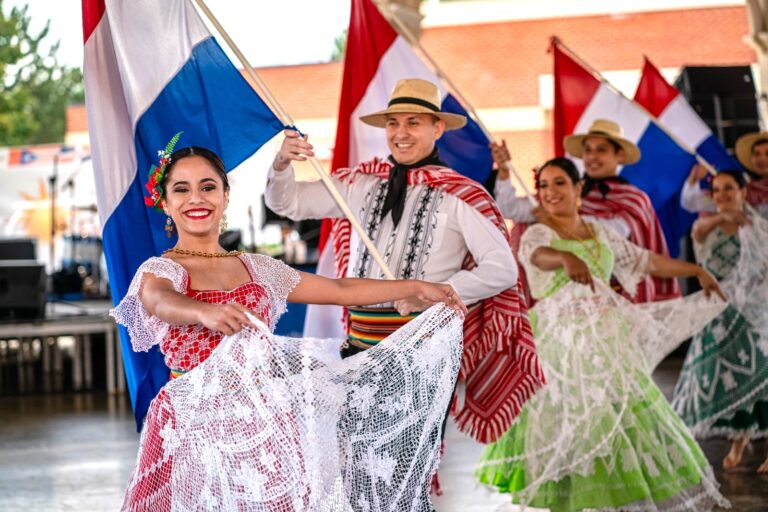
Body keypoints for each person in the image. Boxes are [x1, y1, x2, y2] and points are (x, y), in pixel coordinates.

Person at [114, 137, 470, 511]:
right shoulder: (163, 269)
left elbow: (339, 288)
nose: (196, 199)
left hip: (263, 423)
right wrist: (201, 311)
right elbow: (158, 300)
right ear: (166, 203)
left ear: (225, 195)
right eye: (181, 189)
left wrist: (416, 286)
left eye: (207, 187)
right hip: (194, 424)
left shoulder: (258, 268)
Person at [265, 78, 544, 444]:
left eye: (414, 122)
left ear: (437, 127)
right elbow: (287, 203)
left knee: (410, 467)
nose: (401, 133)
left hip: (423, 355)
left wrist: (434, 293)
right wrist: (283, 162)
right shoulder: (359, 184)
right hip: (358, 348)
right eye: (394, 123)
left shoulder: (461, 195)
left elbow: (503, 269)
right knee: (356, 458)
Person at [475, 157, 730, 511]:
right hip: (561, 345)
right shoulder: (538, 231)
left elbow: (647, 261)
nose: (550, 192)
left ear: (578, 188)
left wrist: (695, 270)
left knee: (619, 424)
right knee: (577, 427)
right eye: (544, 185)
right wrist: (565, 258)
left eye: (559, 183)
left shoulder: (599, 231)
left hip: (607, 343)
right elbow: (537, 255)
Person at [492, 119, 681, 303]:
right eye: (588, 150)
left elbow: (616, 234)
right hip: (561, 303)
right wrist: (504, 171)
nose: (592, 156)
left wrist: (553, 219)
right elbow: (509, 208)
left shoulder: (633, 199)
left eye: (601, 149)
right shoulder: (562, 193)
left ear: (620, 155)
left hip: (619, 298)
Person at [673, 169, 768, 474]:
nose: (723, 195)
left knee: (759, 379)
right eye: (717, 190)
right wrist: (728, 217)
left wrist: (746, 225)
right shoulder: (703, 226)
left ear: (743, 192)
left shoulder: (759, 229)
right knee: (726, 378)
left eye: (730, 189)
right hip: (716, 315)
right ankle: (738, 441)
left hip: (752, 314)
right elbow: (700, 233)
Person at [681, 131, 768, 219]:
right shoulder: (738, 188)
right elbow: (692, 202)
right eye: (757, 154)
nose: (762, 159)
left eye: (767, 154)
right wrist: (693, 179)